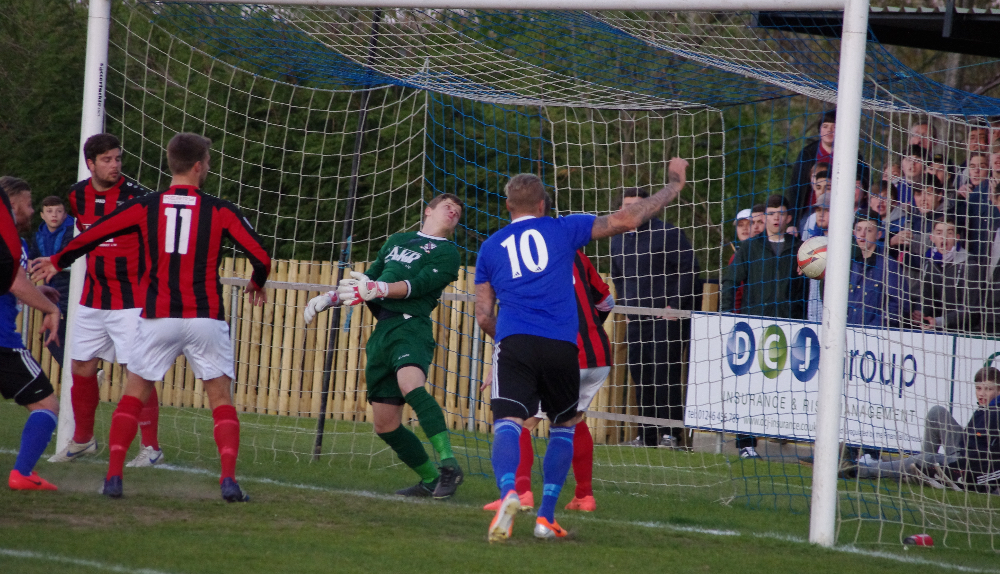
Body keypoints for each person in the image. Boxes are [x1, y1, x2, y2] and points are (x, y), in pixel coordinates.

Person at [33, 133, 271, 501]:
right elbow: (262, 256)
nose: (208, 166)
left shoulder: (146, 205)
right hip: (205, 316)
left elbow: (96, 234)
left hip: (158, 315)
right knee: (220, 399)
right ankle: (228, 481)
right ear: (198, 166)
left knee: (133, 394)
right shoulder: (220, 210)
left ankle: (113, 478)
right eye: (208, 161)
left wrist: (57, 260)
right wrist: (257, 282)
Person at [475, 158, 688, 542]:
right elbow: (627, 219)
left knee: (508, 422)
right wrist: (673, 185)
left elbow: (483, 315)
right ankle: (546, 517)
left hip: (515, 342)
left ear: (508, 206)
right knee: (565, 426)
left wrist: (505, 338)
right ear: (543, 204)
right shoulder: (564, 228)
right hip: (561, 346)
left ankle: (509, 492)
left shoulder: (489, 248)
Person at [302, 193, 466, 500]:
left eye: (458, 212)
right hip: (383, 332)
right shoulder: (397, 241)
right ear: (428, 210)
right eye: (448, 206)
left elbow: (417, 286)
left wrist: (379, 288)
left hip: (411, 327)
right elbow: (368, 279)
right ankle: (430, 479)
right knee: (385, 424)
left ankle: (449, 466)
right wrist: (331, 298)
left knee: (410, 385)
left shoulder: (447, 253)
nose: (454, 212)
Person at [46, 134, 164, 468]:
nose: (115, 165)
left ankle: (151, 447)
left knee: (136, 371)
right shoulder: (76, 195)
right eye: (107, 160)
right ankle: (83, 440)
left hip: (131, 299)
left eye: (118, 158)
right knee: (81, 366)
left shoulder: (138, 197)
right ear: (91, 163)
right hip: (93, 297)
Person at [481, 248, 614, 514]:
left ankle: (521, 493)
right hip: (598, 355)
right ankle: (584, 496)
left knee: (523, 422)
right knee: (573, 419)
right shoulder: (576, 254)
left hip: (563, 355)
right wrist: (589, 327)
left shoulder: (521, 259)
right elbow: (606, 302)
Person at [612, 187, 701, 450]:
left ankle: (670, 435)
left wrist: (674, 306)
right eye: (627, 204)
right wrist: (627, 309)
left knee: (665, 374)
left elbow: (690, 268)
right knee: (641, 375)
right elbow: (619, 277)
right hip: (637, 319)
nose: (632, 208)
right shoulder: (617, 239)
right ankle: (646, 436)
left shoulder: (668, 233)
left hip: (666, 319)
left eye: (638, 204)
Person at [0, 177, 62, 491]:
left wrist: (38, 292)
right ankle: (22, 474)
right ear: (11, 205)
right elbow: (14, 283)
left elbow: (14, 284)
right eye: (28, 203)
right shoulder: (8, 239)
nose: (32, 210)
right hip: (2, 343)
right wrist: (50, 310)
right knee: (46, 406)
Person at [852, 366, 1000, 495]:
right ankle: (922, 470)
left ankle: (861, 469)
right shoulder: (985, 409)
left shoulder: (996, 412)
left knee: (919, 460)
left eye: (988, 389)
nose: (981, 394)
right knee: (937, 413)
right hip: (962, 452)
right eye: (978, 388)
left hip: (968, 465)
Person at [721, 194, 807, 319]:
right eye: (771, 214)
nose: (776, 218)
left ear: (788, 218)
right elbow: (730, 281)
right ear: (765, 217)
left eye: (781, 213)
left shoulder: (801, 248)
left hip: (790, 321)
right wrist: (725, 314)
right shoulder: (749, 247)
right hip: (754, 320)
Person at [786, 109, 869, 227]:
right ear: (819, 130)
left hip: (843, 214)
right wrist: (792, 223)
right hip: (811, 213)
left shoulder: (854, 156)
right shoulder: (807, 154)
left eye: (834, 127)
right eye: (825, 126)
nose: (829, 130)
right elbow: (796, 190)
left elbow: (864, 187)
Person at [910, 217, 984, 331]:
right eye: (939, 233)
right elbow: (926, 297)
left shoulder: (969, 265)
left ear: (957, 237)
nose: (943, 237)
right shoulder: (929, 263)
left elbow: (970, 309)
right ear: (932, 238)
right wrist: (921, 312)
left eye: (949, 233)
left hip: (965, 332)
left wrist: (939, 321)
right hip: (936, 329)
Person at [27, 196, 74, 365]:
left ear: (65, 214)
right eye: (49, 211)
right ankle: (82, 373)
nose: (54, 215)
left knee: (59, 337)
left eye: (59, 211)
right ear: (42, 215)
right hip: (53, 295)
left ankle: (83, 373)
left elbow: (70, 256)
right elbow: (32, 258)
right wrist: (30, 263)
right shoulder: (39, 235)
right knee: (53, 339)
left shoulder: (72, 232)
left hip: (71, 294)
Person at [846, 211, 909, 329]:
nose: (862, 234)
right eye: (859, 230)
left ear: (878, 234)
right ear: (854, 233)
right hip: (848, 332)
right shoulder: (849, 264)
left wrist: (874, 328)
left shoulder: (889, 265)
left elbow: (898, 305)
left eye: (869, 230)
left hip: (876, 335)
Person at [801, 193, 830, 324]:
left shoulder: (844, 244)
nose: (821, 214)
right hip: (813, 311)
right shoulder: (811, 242)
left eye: (826, 210)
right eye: (818, 210)